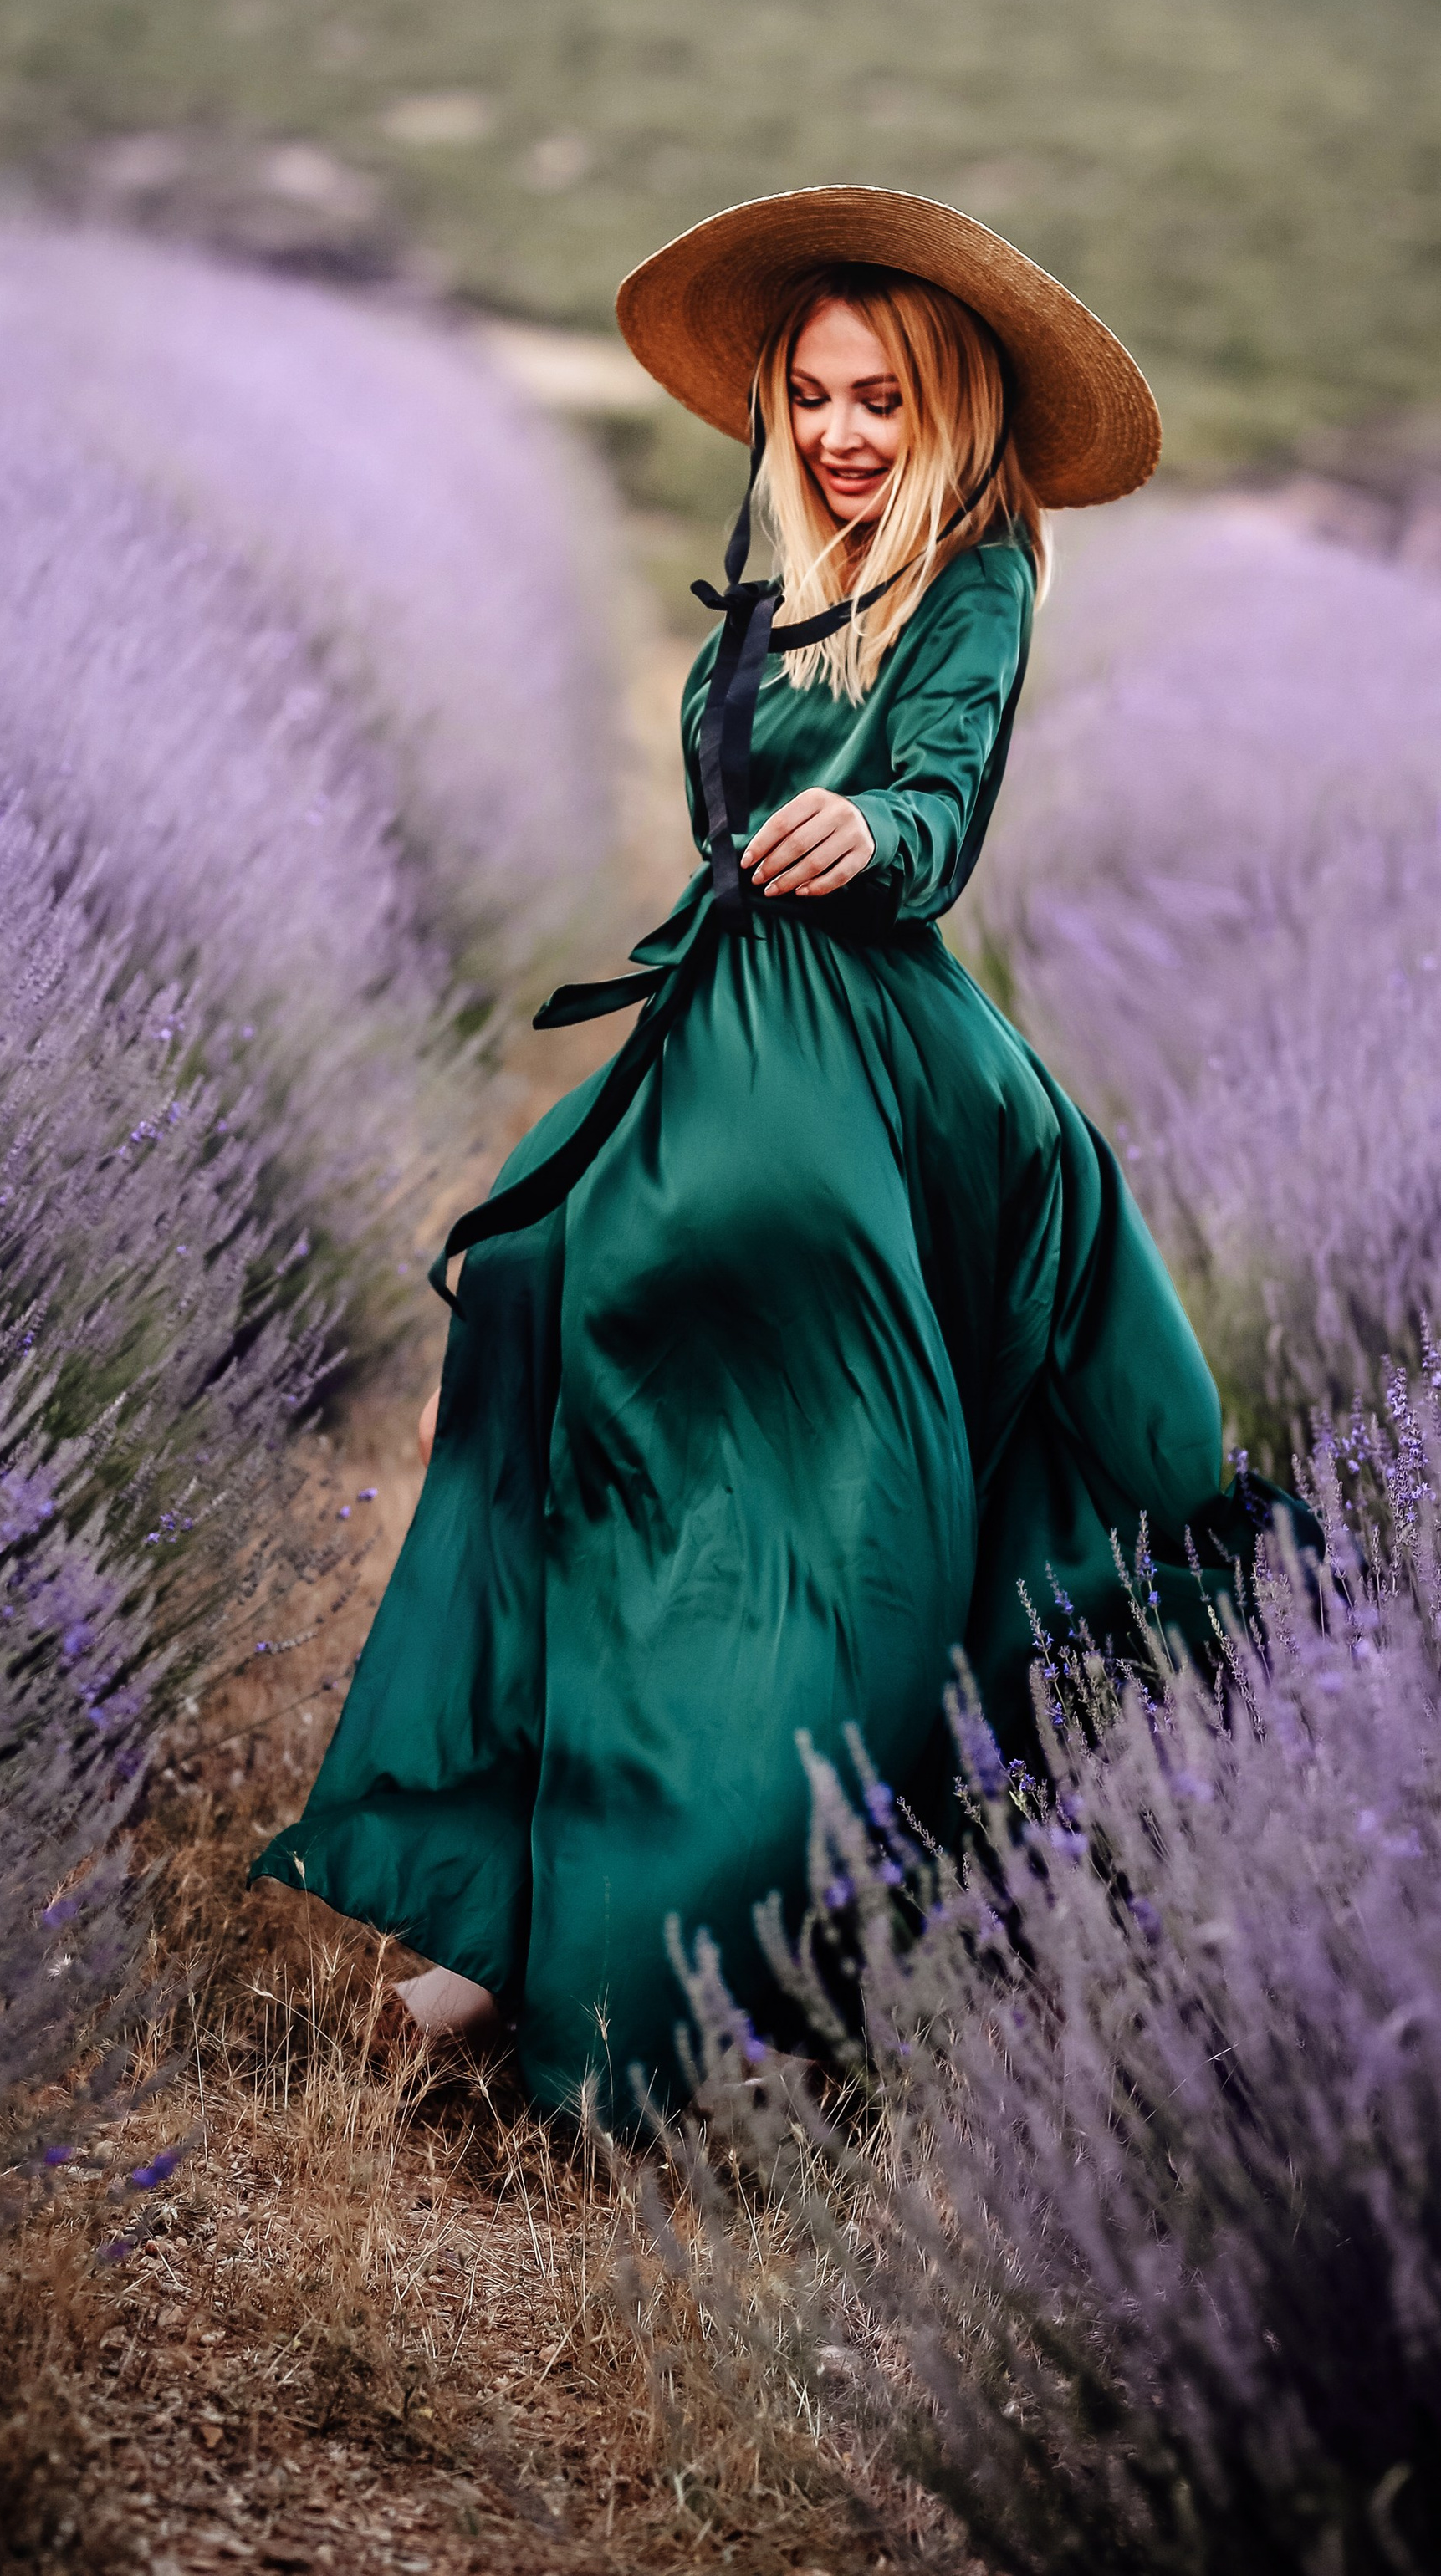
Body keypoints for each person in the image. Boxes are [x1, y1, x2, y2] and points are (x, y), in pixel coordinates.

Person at [253, 186, 1286, 2119]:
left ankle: (697, 1976)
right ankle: (530, 1917)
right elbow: (717, 857)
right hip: (722, 1031)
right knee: (551, 1352)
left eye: (878, 396)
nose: (835, 430)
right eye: (808, 394)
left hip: (868, 1078)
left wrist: (871, 839)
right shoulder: (763, 602)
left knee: (829, 1540)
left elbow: (940, 794)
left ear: (952, 410)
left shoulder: (969, 572)